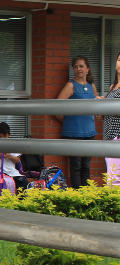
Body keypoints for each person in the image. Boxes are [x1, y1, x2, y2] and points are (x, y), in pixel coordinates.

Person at [56, 55, 98, 188]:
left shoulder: (92, 86)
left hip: (89, 131)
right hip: (74, 132)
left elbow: (96, 107)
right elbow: (56, 107)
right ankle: (76, 195)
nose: (78, 69)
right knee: (76, 166)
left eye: (81, 66)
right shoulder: (70, 85)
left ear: (87, 69)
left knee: (86, 165)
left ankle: (86, 195)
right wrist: (69, 121)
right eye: (75, 66)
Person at [0, 122, 31, 190]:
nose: (2, 139)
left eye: (5, 137)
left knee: (26, 186)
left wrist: (10, 156)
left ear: (9, 135)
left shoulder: (13, 145)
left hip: (12, 173)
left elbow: (18, 160)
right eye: (0, 137)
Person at [104, 52, 120, 185]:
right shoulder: (113, 87)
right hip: (109, 135)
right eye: (119, 60)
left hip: (118, 135)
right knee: (112, 176)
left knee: (114, 180)